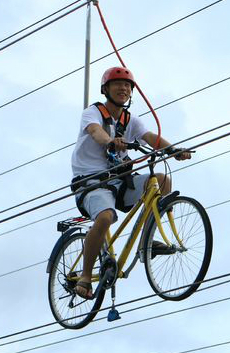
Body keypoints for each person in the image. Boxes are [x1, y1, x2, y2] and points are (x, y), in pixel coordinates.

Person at [70, 66, 191, 299]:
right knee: (105, 217)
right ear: (105, 89)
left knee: (162, 181)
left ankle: (148, 240)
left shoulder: (130, 120)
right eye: (117, 84)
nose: (123, 88)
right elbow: (96, 132)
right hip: (91, 181)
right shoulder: (93, 113)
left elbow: (150, 137)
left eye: (127, 85)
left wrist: (173, 150)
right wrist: (110, 142)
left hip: (120, 181)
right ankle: (85, 277)